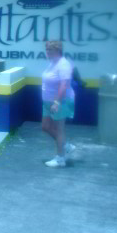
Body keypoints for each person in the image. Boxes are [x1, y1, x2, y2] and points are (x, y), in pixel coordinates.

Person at [41, 40, 76, 168]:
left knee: (59, 129)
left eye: (50, 50)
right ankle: (65, 145)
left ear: (57, 50)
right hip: (48, 101)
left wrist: (57, 102)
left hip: (61, 101)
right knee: (45, 126)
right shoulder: (52, 63)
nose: (47, 52)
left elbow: (64, 85)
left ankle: (60, 159)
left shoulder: (63, 65)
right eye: (47, 50)